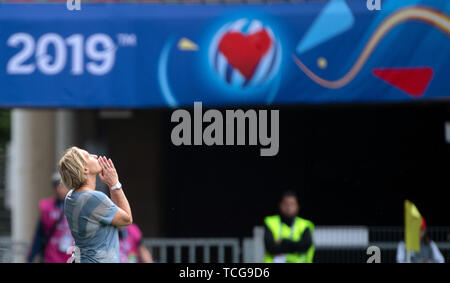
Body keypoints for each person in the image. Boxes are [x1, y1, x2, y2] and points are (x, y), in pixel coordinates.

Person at [58, 146, 133, 263]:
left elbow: (117, 221)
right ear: (85, 169)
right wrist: (114, 183)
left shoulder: (70, 197)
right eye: (88, 156)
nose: (95, 156)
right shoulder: (94, 198)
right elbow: (126, 220)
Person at [27, 172, 73, 263]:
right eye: (57, 186)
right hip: (52, 257)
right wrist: (30, 257)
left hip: (71, 257)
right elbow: (39, 234)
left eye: (63, 185)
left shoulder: (78, 207)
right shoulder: (48, 208)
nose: (60, 189)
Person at [264, 190, 315, 263]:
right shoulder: (271, 222)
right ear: (280, 205)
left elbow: (306, 246)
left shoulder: (304, 224)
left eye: (292, 204)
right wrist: (296, 246)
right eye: (286, 204)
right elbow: (270, 247)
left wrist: (283, 242)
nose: (288, 207)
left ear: (297, 206)